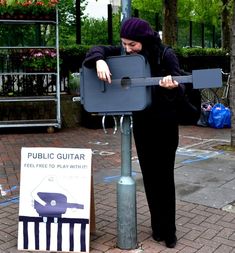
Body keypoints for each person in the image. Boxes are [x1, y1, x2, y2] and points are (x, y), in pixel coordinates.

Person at [83, 17, 187, 248]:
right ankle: (156, 227)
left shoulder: (165, 54)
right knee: (149, 177)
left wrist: (173, 86)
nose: (127, 49)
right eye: (124, 44)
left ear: (144, 41)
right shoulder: (124, 50)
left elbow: (182, 88)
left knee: (164, 177)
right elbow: (95, 50)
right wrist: (99, 60)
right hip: (143, 123)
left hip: (165, 124)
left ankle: (169, 230)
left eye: (132, 45)